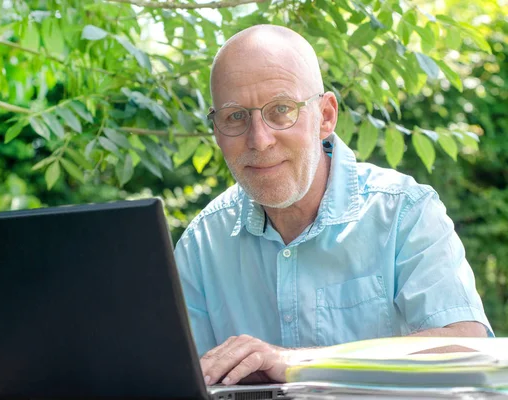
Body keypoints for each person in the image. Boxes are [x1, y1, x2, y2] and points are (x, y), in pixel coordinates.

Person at [173, 24, 492, 387]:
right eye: (235, 116)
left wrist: (297, 362)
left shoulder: (405, 212)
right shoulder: (202, 243)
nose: (259, 140)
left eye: (281, 110)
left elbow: (465, 345)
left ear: (325, 116)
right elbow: (180, 374)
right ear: (216, 130)